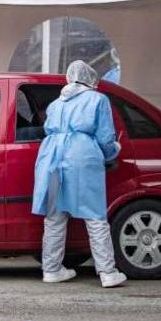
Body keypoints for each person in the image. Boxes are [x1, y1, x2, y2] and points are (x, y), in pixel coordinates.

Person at [33, 60, 127, 288]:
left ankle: (52, 269)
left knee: (54, 217)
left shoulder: (56, 104)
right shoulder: (98, 100)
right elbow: (105, 137)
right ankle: (107, 272)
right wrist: (114, 151)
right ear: (91, 79)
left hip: (51, 156)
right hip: (82, 156)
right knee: (94, 216)